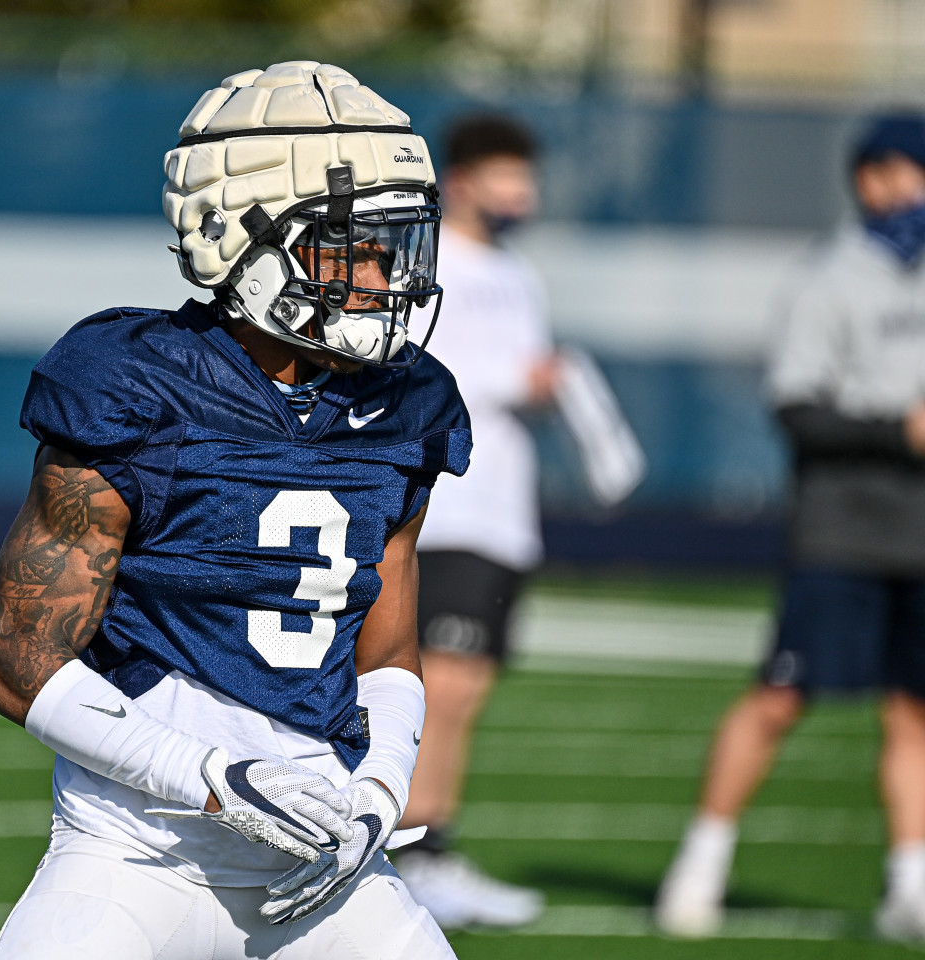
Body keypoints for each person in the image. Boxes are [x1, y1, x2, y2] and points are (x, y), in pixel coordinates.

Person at [0, 61, 472, 960]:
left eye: (395, 243)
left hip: (322, 862)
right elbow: (21, 663)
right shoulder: (134, 381)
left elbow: (390, 647)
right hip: (133, 854)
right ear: (233, 237)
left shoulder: (410, 403)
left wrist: (381, 792)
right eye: (349, 244)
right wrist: (208, 777)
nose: (382, 274)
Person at [656, 112, 925, 941]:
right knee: (779, 698)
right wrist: (899, 431)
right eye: (898, 172)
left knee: (912, 711)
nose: (910, 190)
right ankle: (699, 864)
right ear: (867, 180)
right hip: (842, 529)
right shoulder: (827, 277)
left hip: (920, 538)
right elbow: (798, 409)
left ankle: (909, 886)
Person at [393, 113, 557, 929]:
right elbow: (419, 369)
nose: (520, 193)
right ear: (462, 180)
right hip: (446, 506)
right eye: (504, 173)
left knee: (468, 688)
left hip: (503, 514)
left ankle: (430, 847)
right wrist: (518, 379)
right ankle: (411, 851)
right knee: (439, 686)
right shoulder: (426, 265)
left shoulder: (520, 274)